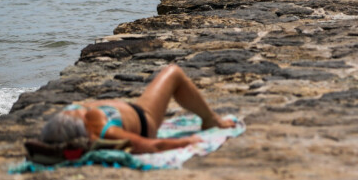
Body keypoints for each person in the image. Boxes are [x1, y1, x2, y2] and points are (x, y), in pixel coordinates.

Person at [40, 64, 235, 154]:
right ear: (89, 134)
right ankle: (211, 119)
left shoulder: (61, 124)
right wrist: (188, 141)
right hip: (145, 118)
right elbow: (152, 146)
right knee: (173, 72)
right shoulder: (104, 131)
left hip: (126, 111)